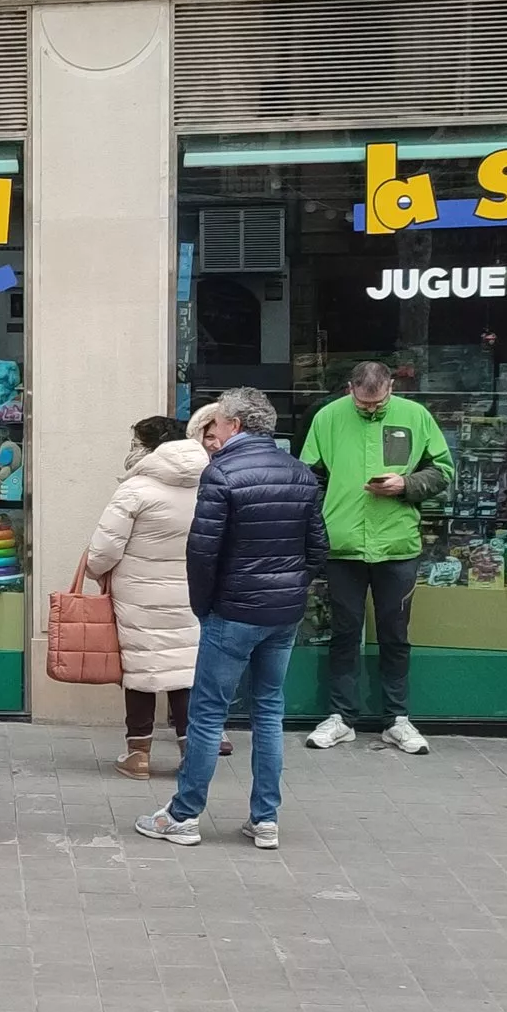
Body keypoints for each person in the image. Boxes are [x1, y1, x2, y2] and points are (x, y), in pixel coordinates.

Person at [138, 387, 326, 851]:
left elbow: (202, 551)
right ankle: (265, 819)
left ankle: (183, 815)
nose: (211, 430)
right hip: (283, 612)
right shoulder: (300, 472)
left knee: (206, 715)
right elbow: (318, 549)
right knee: (268, 711)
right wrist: (294, 589)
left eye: (217, 423)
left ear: (236, 426)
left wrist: (204, 606)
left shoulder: (221, 472)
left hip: (233, 610)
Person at [299, 361, 455, 755]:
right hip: (343, 543)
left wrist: (407, 484)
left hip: (397, 544)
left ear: (390, 387)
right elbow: (309, 475)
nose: (370, 408)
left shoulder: (415, 416)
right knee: (344, 633)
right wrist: (318, 520)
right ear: (351, 388)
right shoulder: (328, 417)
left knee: (395, 634)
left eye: (378, 401)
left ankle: (397, 719)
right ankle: (341, 717)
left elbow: (443, 471)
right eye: (363, 402)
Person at [87, 413, 211, 779]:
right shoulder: (207, 483)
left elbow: (104, 550)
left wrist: (96, 572)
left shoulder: (135, 489)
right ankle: (192, 753)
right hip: (191, 588)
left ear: (149, 447)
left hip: (138, 592)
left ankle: (138, 754)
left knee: (141, 669)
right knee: (185, 668)